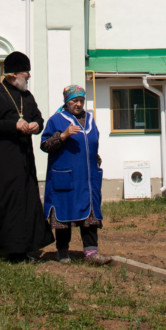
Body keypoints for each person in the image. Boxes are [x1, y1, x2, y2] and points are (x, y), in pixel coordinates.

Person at [0, 51, 53, 262]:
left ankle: (20, 251)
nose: (28, 76)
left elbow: (38, 117)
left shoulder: (27, 97)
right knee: (4, 203)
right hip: (0, 160)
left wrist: (37, 125)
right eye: (25, 72)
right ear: (13, 75)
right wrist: (14, 125)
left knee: (25, 204)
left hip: (23, 160)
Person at [40, 84, 111, 265]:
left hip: (87, 178)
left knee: (90, 216)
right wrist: (63, 136)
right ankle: (62, 252)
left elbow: (91, 142)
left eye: (81, 100)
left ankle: (91, 253)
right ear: (66, 101)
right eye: (74, 101)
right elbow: (45, 145)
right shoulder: (56, 120)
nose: (78, 104)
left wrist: (95, 158)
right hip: (66, 177)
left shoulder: (90, 119)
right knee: (64, 213)